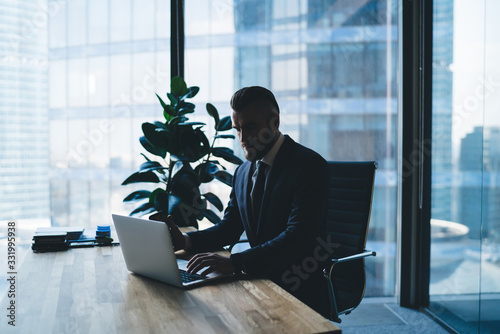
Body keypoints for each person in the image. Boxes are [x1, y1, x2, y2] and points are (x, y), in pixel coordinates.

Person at [150, 86, 330, 317]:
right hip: (260, 280)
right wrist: (184, 240)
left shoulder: (308, 166)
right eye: (237, 130)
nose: (243, 139)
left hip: (299, 286)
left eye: (251, 127)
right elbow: (229, 229)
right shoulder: (243, 173)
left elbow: (299, 237)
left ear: (274, 122)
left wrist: (237, 262)